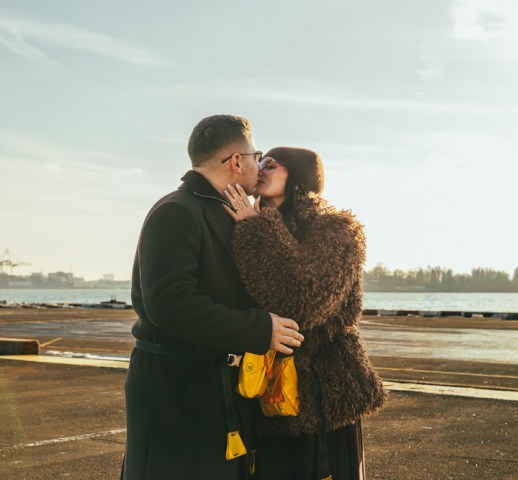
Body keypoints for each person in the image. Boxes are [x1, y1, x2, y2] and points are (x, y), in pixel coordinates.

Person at [123, 116, 305, 479]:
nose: (259, 164)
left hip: (214, 390)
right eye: (255, 155)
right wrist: (259, 328)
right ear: (237, 162)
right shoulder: (176, 211)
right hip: (178, 393)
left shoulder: (222, 211)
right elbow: (170, 303)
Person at [223, 147, 386, 480]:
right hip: (265, 394)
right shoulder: (248, 225)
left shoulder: (338, 230)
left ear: (297, 177)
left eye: (272, 164)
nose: (262, 168)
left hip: (324, 396)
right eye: (260, 162)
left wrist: (256, 230)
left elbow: (304, 300)